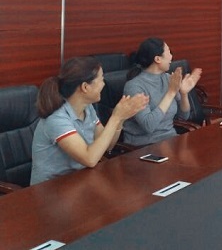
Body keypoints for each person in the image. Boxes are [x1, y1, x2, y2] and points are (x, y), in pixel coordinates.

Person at [31, 56, 148, 185]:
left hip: (79, 181)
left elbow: (108, 145)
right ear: (85, 87)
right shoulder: (57, 118)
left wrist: (121, 119)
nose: (104, 84)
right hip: (51, 188)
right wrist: (115, 118)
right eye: (101, 79)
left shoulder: (87, 108)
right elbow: (90, 159)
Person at [123, 37, 202, 146]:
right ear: (158, 59)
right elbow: (148, 125)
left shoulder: (168, 78)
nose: (171, 57)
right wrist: (170, 93)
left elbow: (184, 116)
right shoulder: (134, 86)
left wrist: (184, 94)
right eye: (169, 52)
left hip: (170, 140)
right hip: (144, 146)